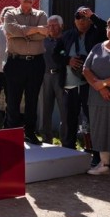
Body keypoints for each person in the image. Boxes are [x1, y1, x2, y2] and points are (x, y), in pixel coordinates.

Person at [55, 6, 107, 154]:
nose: (81, 21)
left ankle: (95, 152)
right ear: (74, 21)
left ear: (90, 20)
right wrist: (68, 60)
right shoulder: (67, 35)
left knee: (91, 119)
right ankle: (68, 151)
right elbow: (56, 54)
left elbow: (107, 28)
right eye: (78, 17)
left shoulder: (97, 33)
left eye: (85, 18)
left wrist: (93, 16)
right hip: (70, 84)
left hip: (89, 84)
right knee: (69, 119)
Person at [83, 15, 110, 181]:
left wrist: (104, 83)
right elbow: (86, 69)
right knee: (100, 128)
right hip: (98, 97)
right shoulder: (97, 47)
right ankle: (104, 164)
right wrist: (100, 87)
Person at [4, 0, 49, 145]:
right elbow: (11, 29)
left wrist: (21, 33)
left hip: (36, 63)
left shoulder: (41, 14)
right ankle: (13, 133)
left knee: (32, 100)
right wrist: (35, 29)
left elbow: (43, 35)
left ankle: (30, 132)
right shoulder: (10, 13)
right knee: (13, 100)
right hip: (15, 62)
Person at [40, 15, 65, 144]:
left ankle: (65, 140)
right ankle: (46, 138)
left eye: (54, 25)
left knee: (64, 109)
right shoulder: (43, 41)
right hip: (46, 76)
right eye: (49, 25)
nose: (51, 28)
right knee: (46, 109)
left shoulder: (66, 40)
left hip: (62, 77)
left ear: (61, 26)